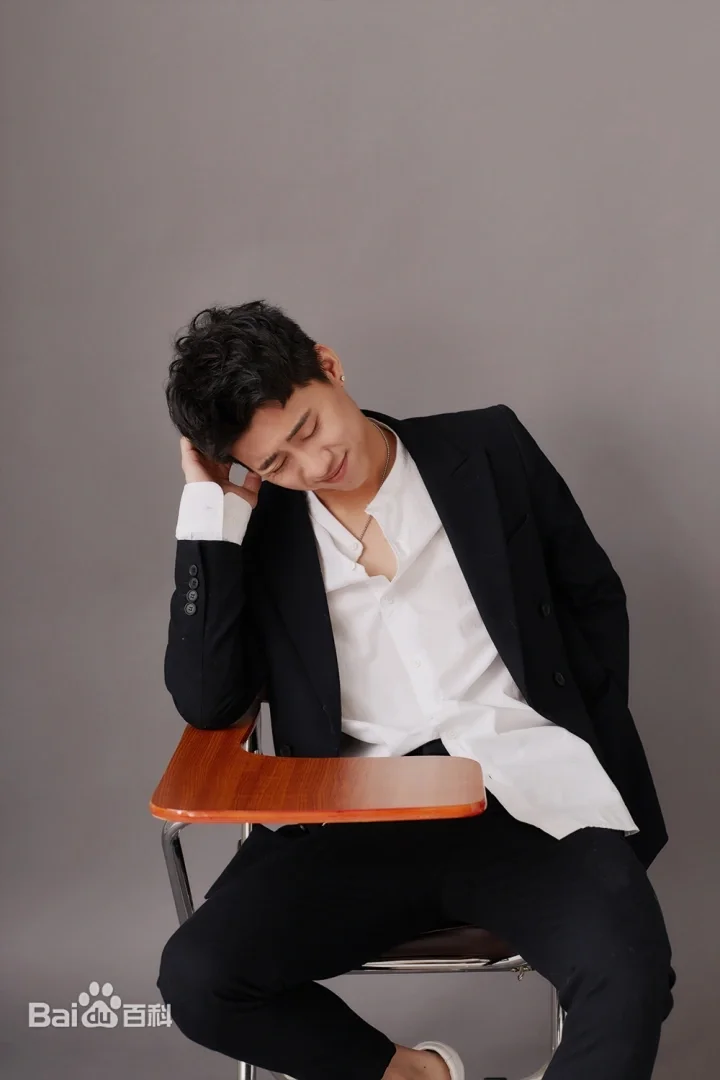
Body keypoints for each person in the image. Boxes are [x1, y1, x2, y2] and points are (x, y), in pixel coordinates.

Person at [156, 299, 674, 1080]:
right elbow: (207, 701)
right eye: (277, 464)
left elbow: (591, 594)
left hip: (523, 798)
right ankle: (415, 1076)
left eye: (307, 429)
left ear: (330, 368)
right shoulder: (257, 530)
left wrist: (578, 739)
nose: (312, 466)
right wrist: (208, 516)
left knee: (629, 977)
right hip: (355, 818)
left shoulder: (487, 447)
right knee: (199, 980)